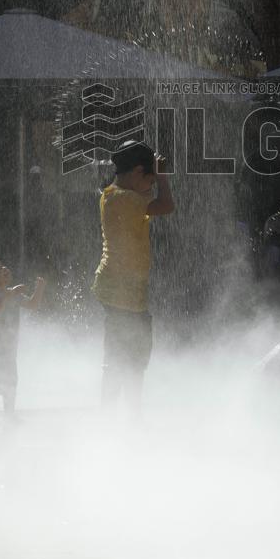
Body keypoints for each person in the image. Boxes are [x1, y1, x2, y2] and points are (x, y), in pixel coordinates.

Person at [92, 141, 174, 417]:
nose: (151, 187)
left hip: (121, 290)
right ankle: (122, 419)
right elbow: (166, 205)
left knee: (126, 357)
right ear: (138, 172)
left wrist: (155, 174)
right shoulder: (124, 199)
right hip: (120, 291)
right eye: (149, 180)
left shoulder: (113, 194)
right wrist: (162, 175)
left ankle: (120, 417)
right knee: (127, 358)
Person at [0, 257, 45, 417]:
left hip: (8, 352)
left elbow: (33, 305)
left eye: (1, 265)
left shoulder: (12, 294)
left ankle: (9, 418)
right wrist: (12, 293)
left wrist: (39, 288)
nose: (4, 268)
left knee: (10, 386)